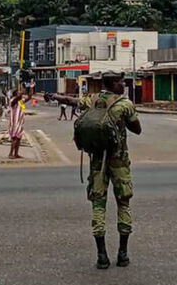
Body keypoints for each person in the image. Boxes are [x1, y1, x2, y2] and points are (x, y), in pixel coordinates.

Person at [52, 71, 142, 269]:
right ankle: (123, 253)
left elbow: (72, 101)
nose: (123, 85)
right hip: (119, 161)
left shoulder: (92, 100)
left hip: (97, 162)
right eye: (121, 82)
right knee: (123, 204)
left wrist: (55, 96)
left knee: (98, 206)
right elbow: (137, 129)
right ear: (114, 84)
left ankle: (102, 255)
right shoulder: (124, 104)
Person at [8, 81, 35, 159]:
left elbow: (29, 97)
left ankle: (16, 153)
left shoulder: (20, 102)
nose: (20, 93)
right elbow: (17, 98)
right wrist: (22, 91)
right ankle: (10, 153)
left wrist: (31, 88)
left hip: (20, 122)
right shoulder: (13, 101)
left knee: (18, 138)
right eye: (18, 92)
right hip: (14, 122)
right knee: (14, 138)